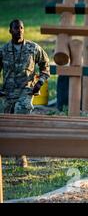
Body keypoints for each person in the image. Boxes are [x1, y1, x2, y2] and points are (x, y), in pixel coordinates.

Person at [0, 19, 50, 167]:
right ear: (10, 31)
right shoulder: (3, 50)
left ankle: (20, 156)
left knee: (20, 117)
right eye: (16, 28)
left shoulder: (33, 48)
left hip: (26, 91)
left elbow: (45, 66)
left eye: (21, 28)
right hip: (7, 93)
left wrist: (40, 82)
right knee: (6, 124)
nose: (19, 30)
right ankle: (7, 152)